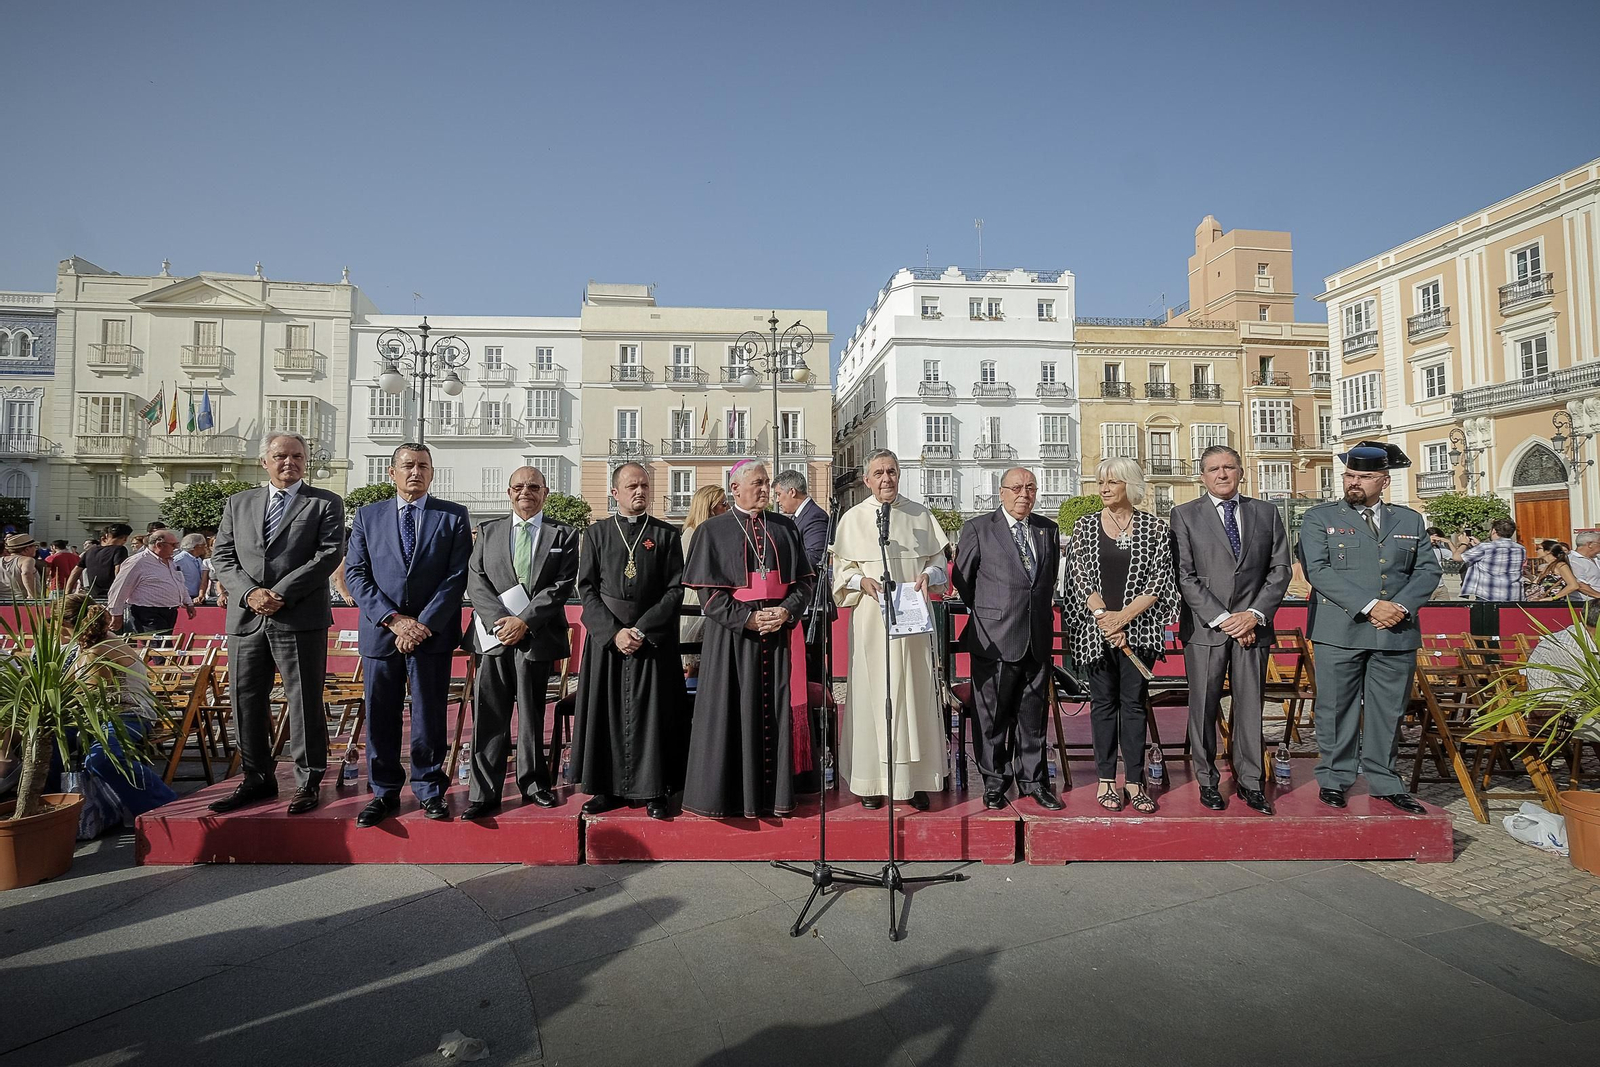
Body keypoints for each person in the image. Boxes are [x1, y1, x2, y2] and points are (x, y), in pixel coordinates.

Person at [208, 432, 346, 815]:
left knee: (304, 701)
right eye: (281, 456)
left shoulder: (325, 503)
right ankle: (256, 778)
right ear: (264, 461)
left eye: (298, 456)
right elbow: (222, 555)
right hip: (247, 617)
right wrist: (250, 594)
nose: (290, 462)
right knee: (246, 700)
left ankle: (308, 779)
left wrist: (280, 593)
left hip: (299, 616)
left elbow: (329, 554)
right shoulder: (239, 503)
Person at [1299, 441, 1441, 814]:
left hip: (1396, 629)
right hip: (1339, 630)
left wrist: (1400, 607)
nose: (1353, 483)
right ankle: (1334, 777)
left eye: (1363, 477)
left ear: (1384, 480)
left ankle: (1384, 780)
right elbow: (1319, 571)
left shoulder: (1409, 520)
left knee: (1388, 710)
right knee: (1334, 708)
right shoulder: (1320, 518)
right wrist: (1371, 605)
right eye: (1349, 475)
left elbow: (1427, 570)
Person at [344, 443, 472, 827]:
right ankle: (383, 792)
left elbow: (456, 577)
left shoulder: (453, 516)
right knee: (381, 715)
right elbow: (356, 574)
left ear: (432, 473)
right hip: (382, 634)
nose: (415, 472)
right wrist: (394, 620)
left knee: (430, 716)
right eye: (407, 466)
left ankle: (430, 788)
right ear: (391, 472)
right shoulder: (368, 516)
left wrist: (423, 624)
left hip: (432, 635)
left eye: (423, 466)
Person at [681, 461, 816, 819]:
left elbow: (805, 582)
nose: (764, 489)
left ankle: (777, 796)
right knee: (732, 713)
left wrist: (786, 611)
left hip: (779, 635)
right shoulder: (712, 531)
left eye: (767, 483)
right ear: (735, 488)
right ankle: (733, 798)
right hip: (732, 640)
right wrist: (748, 619)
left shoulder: (785, 528)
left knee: (776, 713)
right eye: (757, 483)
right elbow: (709, 595)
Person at [1169, 446, 1291, 814]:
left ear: (1241, 471)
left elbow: (1281, 569)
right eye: (1213, 469)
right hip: (1207, 631)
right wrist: (1226, 619)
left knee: (1250, 706)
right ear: (1202, 476)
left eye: (1228, 467)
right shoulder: (1184, 515)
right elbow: (1185, 577)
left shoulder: (1266, 513)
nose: (1222, 474)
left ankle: (1251, 782)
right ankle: (1207, 780)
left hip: (1254, 628)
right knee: (1203, 706)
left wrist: (1253, 615)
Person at [831, 449, 950, 811]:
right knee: (872, 697)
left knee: (914, 696)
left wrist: (928, 575)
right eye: (879, 472)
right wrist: (861, 580)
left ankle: (915, 781)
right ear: (867, 480)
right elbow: (842, 572)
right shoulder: (853, 519)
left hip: (913, 624)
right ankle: (871, 780)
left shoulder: (920, 514)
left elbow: (940, 564)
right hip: (872, 622)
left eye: (892, 471)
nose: (887, 478)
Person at [570, 463, 690, 819]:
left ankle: (655, 790)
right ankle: (606, 789)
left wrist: (641, 629)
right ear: (615, 493)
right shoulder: (596, 534)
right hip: (608, 641)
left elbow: (675, 589)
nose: (640, 492)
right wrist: (612, 632)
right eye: (632, 486)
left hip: (651, 640)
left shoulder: (666, 535)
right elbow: (586, 588)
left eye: (644, 486)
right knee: (605, 715)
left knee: (656, 715)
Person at [461, 467, 580, 820]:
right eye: (518, 486)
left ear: (545, 492)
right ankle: (484, 792)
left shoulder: (565, 533)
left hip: (536, 636)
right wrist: (501, 622)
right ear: (509, 492)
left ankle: (533, 784)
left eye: (533, 486)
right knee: (488, 714)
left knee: (531, 714)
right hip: (493, 636)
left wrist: (523, 621)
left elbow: (561, 585)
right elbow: (476, 579)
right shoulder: (488, 531)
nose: (525, 492)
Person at [1066, 458, 1178, 814]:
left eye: (1112, 482)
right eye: (1101, 482)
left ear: (1130, 485)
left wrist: (1124, 619)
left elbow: (1159, 581)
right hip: (1095, 631)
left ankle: (1134, 779)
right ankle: (1104, 780)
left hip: (1140, 631)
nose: (1104, 488)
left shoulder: (1155, 528)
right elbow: (1080, 577)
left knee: (1133, 704)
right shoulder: (1084, 526)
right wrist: (1104, 618)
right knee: (1102, 704)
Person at [951, 466, 1064, 811]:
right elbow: (962, 578)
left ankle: (1033, 782)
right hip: (995, 638)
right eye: (1016, 488)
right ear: (1001, 492)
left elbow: (1046, 582)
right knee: (994, 717)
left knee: (1033, 716)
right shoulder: (979, 528)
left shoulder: (1048, 529)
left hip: (1037, 638)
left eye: (1030, 488)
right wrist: (991, 611)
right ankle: (995, 782)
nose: (1023, 494)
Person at [53, 593, 178, 819]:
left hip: (129, 714)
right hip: (103, 715)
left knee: (103, 757)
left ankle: (165, 807)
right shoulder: (88, 644)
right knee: (45, 739)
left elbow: (87, 695)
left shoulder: (99, 649)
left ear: (63, 624)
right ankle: (55, 807)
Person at [773, 468, 831, 688]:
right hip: (804, 601)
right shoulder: (799, 518)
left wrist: (779, 562)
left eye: (779, 494)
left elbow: (815, 557)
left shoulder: (814, 517)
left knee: (812, 659)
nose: (777, 501)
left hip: (813, 602)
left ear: (792, 491)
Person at [679, 484, 729, 677]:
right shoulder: (692, 533)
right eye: (723, 504)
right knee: (695, 661)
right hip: (697, 598)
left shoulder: (713, 532)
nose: (727, 508)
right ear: (709, 507)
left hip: (712, 596)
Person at [106, 529, 195, 634]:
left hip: (170, 611)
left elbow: (179, 583)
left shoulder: (170, 562)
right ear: (159, 545)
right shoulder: (137, 562)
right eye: (173, 545)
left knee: (163, 646)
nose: (176, 548)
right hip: (147, 613)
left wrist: (189, 603)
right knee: (159, 646)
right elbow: (120, 588)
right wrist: (116, 614)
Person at [1456, 519, 1526, 601]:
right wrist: (1479, 545)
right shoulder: (1521, 549)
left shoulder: (1485, 547)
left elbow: (1457, 557)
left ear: (1494, 531)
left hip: (1489, 596)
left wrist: (1463, 543)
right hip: (1514, 595)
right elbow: (1497, 556)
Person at [171, 533, 211, 603]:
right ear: (196, 546)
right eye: (203, 545)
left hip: (197, 598)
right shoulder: (179, 560)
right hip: (184, 600)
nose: (205, 547)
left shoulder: (198, 559)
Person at [0, 534, 41, 601]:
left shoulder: (1, 560)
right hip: (22, 602)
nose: (36, 549)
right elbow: (26, 573)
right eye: (35, 546)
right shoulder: (27, 560)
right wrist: (32, 596)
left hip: (2, 602)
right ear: (26, 549)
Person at [1570, 531, 1600, 601]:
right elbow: (1580, 585)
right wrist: (1598, 596)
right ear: (1590, 544)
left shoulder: (1597, 558)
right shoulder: (1573, 561)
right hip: (1586, 604)